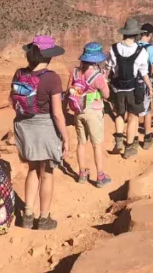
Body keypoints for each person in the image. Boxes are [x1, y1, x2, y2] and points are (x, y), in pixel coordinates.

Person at [10, 35, 69, 231]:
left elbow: (13, 102)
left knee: (33, 169)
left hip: (24, 126)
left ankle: (27, 215)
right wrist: (66, 139)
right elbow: (58, 114)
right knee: (48, 172)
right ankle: (44, 219)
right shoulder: (52, 78)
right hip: (45, 126)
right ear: (49, 56)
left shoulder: (19, 73)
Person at [108, 19, 151, 159]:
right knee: (133, 117)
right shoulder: (141, 51)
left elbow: (108, 68)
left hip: (117, 88)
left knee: (119, 114)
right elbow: (144, 73)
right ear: (136, 35)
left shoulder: (113, 48)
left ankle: (119, 140)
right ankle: (129, 148)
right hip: (133, 89)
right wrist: (150, 87)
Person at [69, 43, 112, 187]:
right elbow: (106, 95)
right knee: (97, 145)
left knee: (81, 143)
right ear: (96, 59)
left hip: (78, 111)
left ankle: (82, 174)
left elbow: (69, 90)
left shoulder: (75, 72)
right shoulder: (97, 76)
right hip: (93, 112)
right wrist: (104, 83)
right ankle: (100, 176)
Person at [136, 23, 153, 149]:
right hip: (145, 83)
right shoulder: (152, 50)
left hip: (131, 83)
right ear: (149, 35)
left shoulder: (133, 46)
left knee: (133, 111)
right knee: (147, 111)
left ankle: (133, 138)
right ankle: (147, 139)